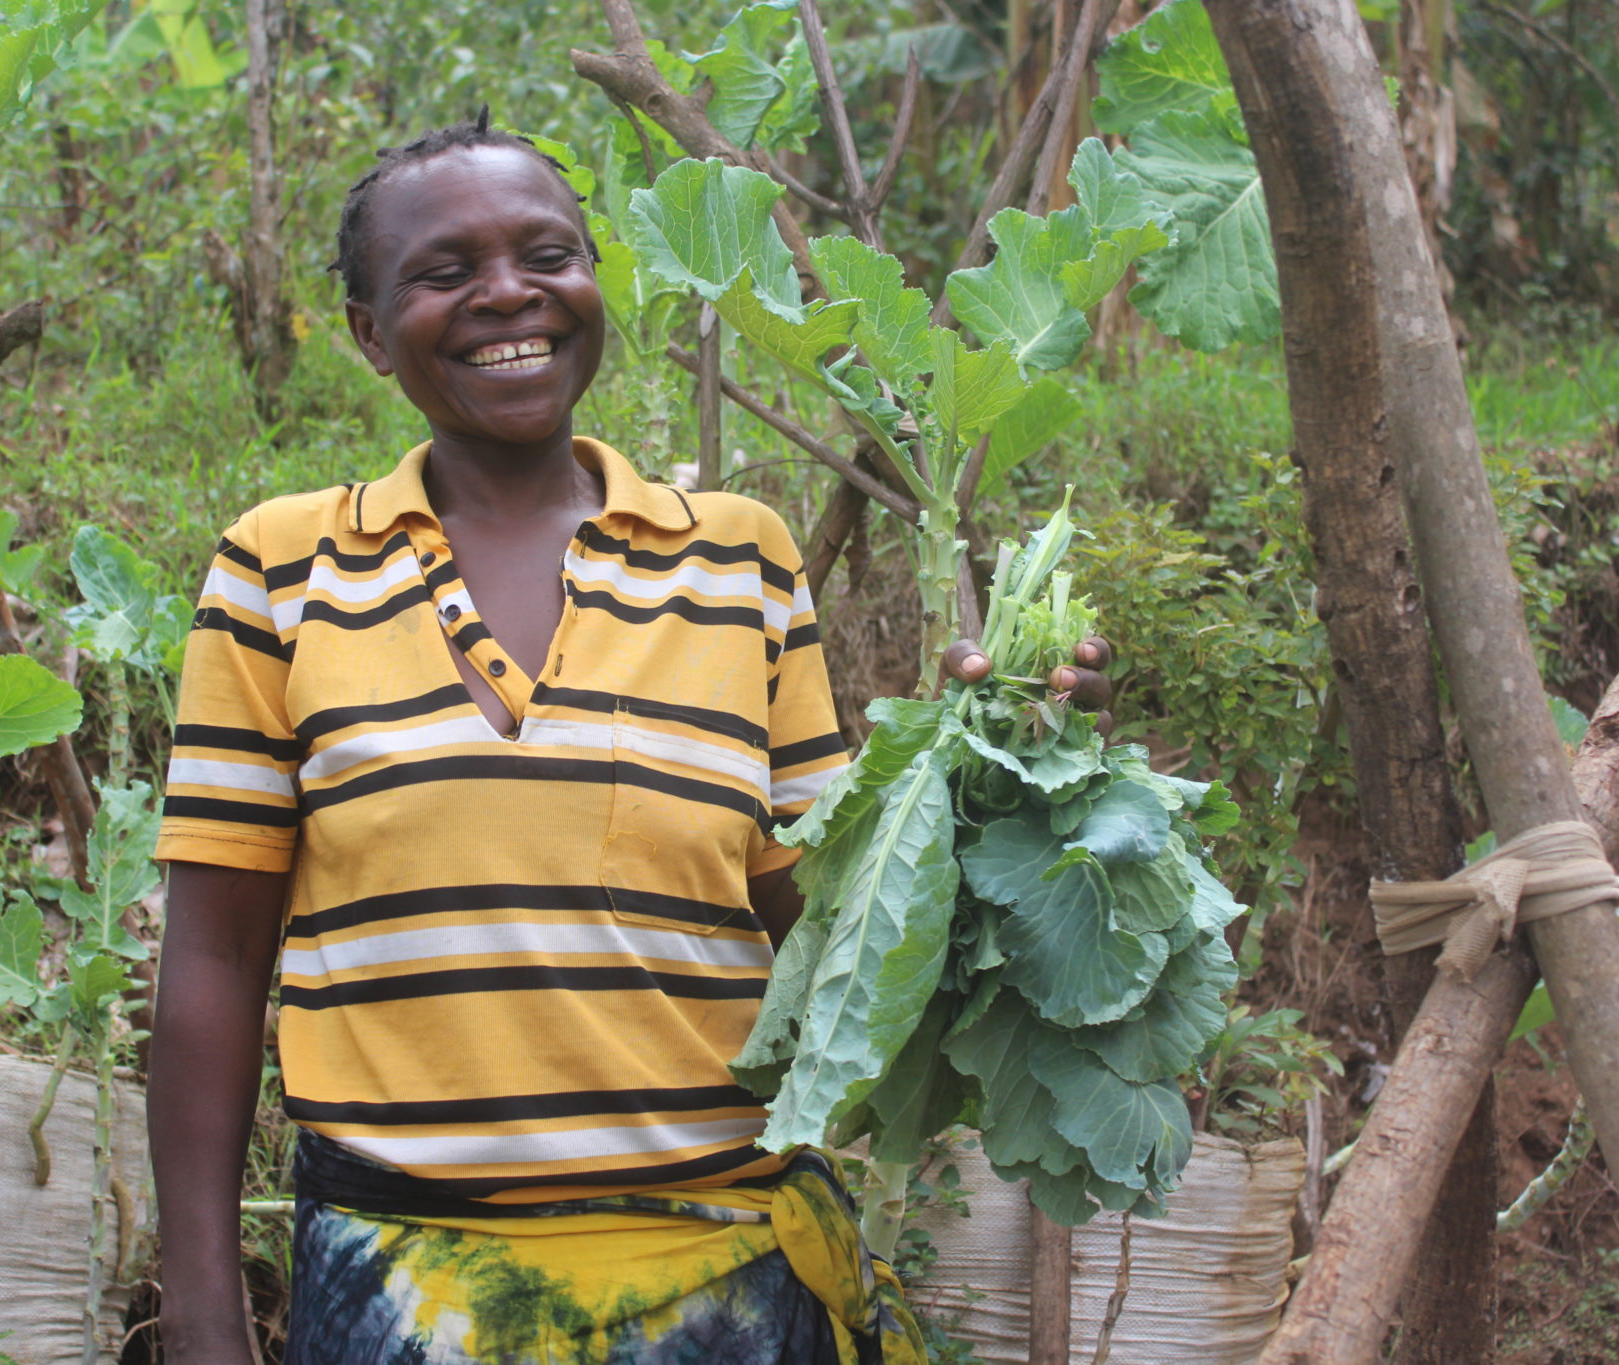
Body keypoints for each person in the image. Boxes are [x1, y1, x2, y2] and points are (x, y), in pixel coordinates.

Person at [147, 111, 1113, 1365]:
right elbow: (214, 957)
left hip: (725, 1278)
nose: (509, 296)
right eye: (444, 273)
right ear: (370, 334)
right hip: (401, 1287)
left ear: (593, 285)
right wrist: (205, 1315)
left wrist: (1008, 771)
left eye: (546, 255)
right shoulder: (282, 568)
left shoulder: (738, 560)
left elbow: (822, 926)